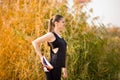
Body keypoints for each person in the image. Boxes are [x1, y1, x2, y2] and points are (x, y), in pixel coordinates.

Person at [32, 14, 67, 80]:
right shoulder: (51, 35)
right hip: (52, 66)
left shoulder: (60, 36)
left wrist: (64, 68)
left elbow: (63, 53)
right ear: (56, 23)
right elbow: (35, 42)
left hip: (58, 67)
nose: (64, 24)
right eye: (62, 22)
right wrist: (41, 57)